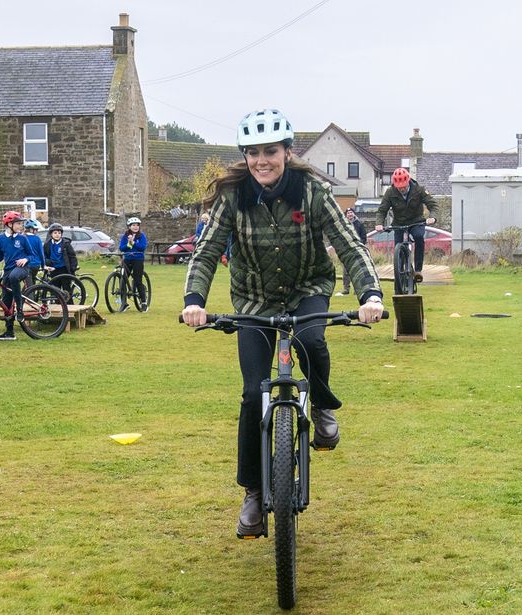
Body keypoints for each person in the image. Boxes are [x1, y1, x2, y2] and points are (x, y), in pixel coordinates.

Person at [180, 108, 383, 538]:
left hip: (307, 287)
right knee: (254, 395)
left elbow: (348, 244)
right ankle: (253, 494)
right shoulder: (233, 196)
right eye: (253, 153)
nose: (261, 161)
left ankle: (324, 406)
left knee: (312, 338)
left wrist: (370, 294)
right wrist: (194, 300)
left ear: (287, 153)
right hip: (252, 300)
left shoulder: (311, 192)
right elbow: (205, 250)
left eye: (270, 151)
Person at [374, 167, 438, 282]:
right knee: (398, 246)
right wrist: (379, 223)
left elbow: (433, 205)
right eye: (399, 187)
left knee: (418, 237)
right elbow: (382, 210)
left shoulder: (419, 190)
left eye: (403, 186)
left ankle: (418, 269)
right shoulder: (390, 192)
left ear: (408, 181)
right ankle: (400, 271)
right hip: (399, 223)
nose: (402, 189)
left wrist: (432, 217)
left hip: (416, 221)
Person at [0, 211, 34, 341]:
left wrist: (25, 260)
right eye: (18, 224)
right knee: (6, 302)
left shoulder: (23, 238)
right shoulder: (0, 238)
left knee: (14, 277)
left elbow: (31, 255)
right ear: (9, 224)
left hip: (22, 269)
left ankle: (19, 309)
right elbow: (0, 255)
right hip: (7, 271)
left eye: (21, 224)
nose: (20, 226)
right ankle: (9, 332)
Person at [336, 208, 368, 296]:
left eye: (351, 212)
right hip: (346, 250)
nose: (350, 214)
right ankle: (346, 289)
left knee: (357, 270)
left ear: (354, 214)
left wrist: (361, 245)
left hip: (357, 250)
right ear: (346, 215)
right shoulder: (343, 224)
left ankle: (357, 289)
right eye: (348, 213)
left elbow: (364, 236)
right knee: (346, 271)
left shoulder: (359, 224)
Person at [118, 216, 148, 312]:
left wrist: (133, 242)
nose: (135, 227)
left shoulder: (141, 236)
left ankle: (143, 302)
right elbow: (122, 248)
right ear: (129, 226)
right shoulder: (125, 236)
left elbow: (142, 247)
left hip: (138, 259)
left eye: (137, 225)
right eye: (133, 225)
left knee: (138, 280)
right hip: (128, 259)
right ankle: (124, 303)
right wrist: (128, 244)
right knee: (123, 280)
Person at [43, 222, 79, 295]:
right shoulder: (47, 244)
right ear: (51, 234)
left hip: (64, 270)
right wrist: (47, 263)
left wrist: (73, 268)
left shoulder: (65, 244)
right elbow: (44, 256)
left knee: (66, 290)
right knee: (55, 291)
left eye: (59, 233)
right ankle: (58, 304)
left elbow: (72, 256)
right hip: (54, 270)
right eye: (55, 233)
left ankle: (69, 305)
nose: (57, 235)